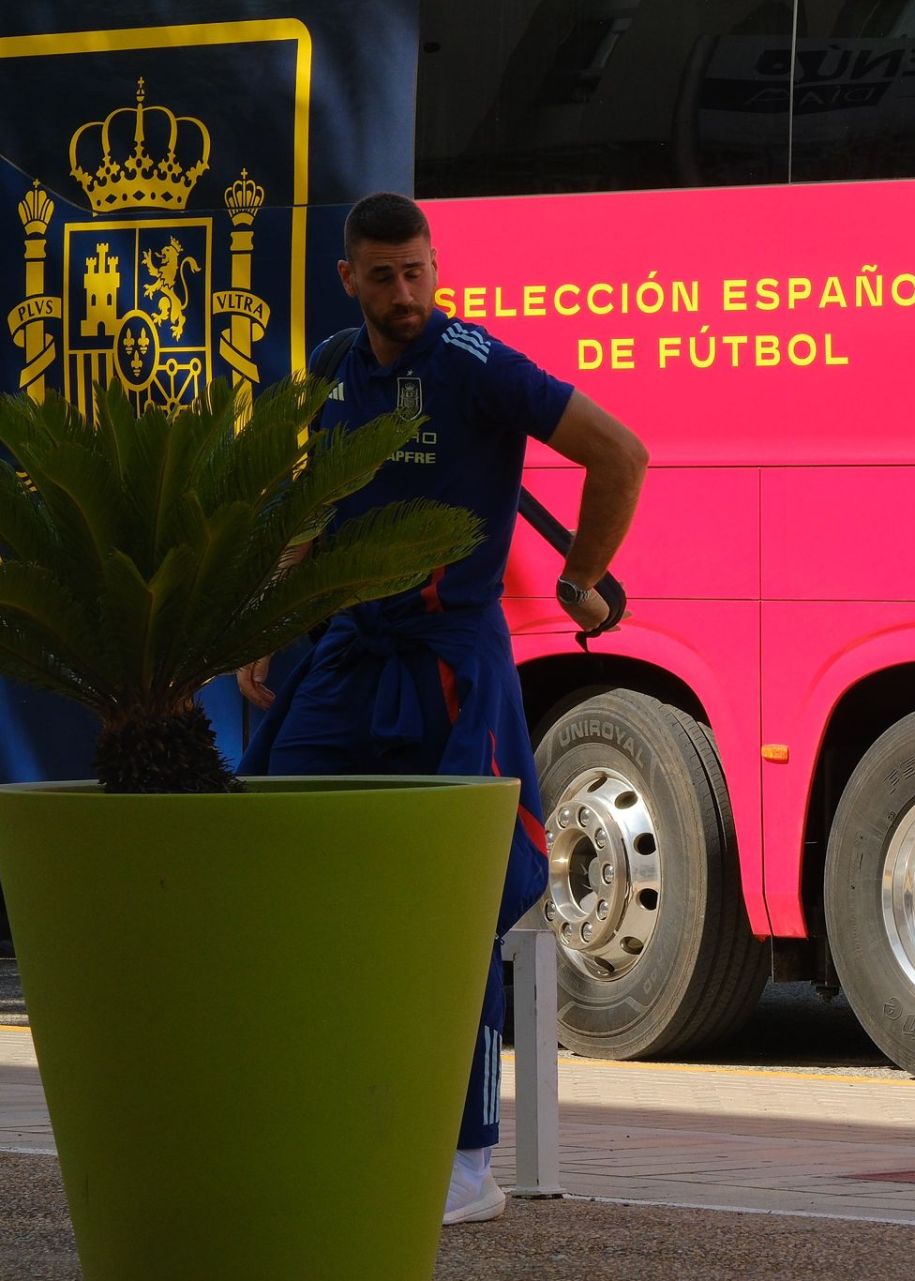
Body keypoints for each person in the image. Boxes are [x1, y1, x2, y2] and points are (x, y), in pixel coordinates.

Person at [236, 192, 648, 1222]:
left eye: (417, 270)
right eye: (383, 276)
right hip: (345, 657)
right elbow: (314, 505)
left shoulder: (477, 363)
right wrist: (270, 622)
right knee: (280, 866)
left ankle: (466, 1165)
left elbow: (619, 450)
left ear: (435, 266)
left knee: (459, 910)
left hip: (454, 667)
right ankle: (321, 1123)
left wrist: (582, 575)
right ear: (349, 279)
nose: (405, 292)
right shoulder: (333, 366)